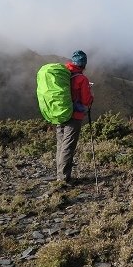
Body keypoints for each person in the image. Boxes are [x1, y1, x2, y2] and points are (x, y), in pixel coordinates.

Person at [54, 50, 93, 185]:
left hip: (60, 113)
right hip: (74, 116)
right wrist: (91, 96)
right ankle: (63, 178)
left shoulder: (64, 74)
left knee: (61, 144)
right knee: (68, 146)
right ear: (83, 64)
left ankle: (60, 174)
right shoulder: (82, 79)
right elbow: (86, 100)